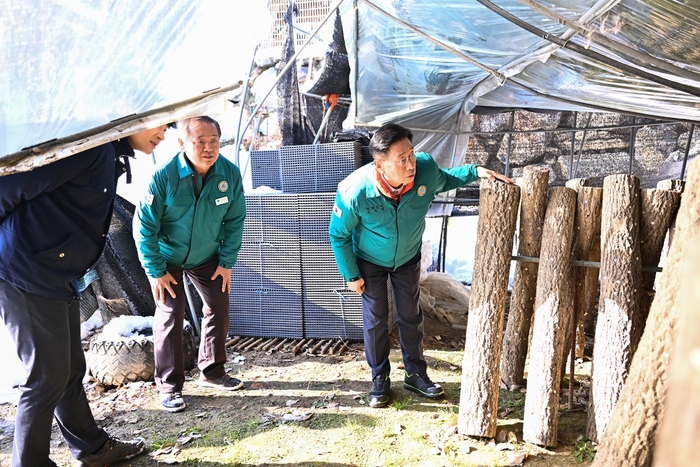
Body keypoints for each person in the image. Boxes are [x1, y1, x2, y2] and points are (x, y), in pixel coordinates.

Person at [0, 124, 168, 466]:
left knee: (69, 369)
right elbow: (11, 187)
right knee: (45, 377)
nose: (164, 134)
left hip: (56, 271)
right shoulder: (89, 149)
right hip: (26, 270)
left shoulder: (108, 152)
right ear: (135, 117)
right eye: (161, 124)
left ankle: (92, 449)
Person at [329, 122, 514, 408]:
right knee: (376, 319)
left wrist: (475, 171)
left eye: (411, 154)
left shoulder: (424, 170)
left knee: (411, 315)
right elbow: (338, 234)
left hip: (407, 257)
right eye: (401, 159)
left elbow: (447, 178)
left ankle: (416, 374)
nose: (410, 163)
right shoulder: (355, 191)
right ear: (380, 165)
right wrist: (351, 275)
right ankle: (380, 379)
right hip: (370, 260)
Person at [133, 116, 246, 413]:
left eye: (214, 141)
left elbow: (235, 220)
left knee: (219, 304)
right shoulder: (163, 176)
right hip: (167, 256)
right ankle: (169, 386)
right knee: (171, 312)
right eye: (200, 142)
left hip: (207, 255)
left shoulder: (229, 174)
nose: (208, 148)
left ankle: (213, 370)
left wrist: (227, 262)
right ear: (182, 144)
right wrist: (155, 271)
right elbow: (144, 227)